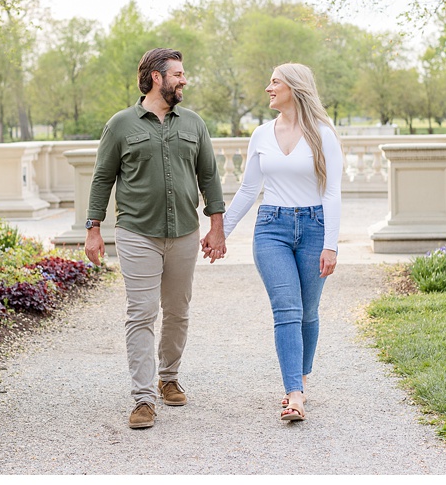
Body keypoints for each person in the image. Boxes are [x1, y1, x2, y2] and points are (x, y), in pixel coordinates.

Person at [84, 48, 226, 430]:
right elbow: (102, 178)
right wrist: (93, 228)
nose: (184, 80)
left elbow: (209, 175)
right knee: (142, 312)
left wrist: (217, 225)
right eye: (178, 74)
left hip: (184, 231)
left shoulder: (194, 124)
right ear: (156, 77)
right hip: (136, 234)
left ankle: (168, 377)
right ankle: (143, 398)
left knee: (178, 311)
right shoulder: (120, 125)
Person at [222, 63, 343, 423]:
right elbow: (248, 190)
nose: (268, 88)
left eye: (274, 82)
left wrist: (331, 244)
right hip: (271, 226)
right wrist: (220, 232)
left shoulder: (323, 134)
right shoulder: (260, 134)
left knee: (308, 312)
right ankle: (294, 394)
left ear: (294, 87)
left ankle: (300, 379)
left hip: (314, 227)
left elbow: (333, 192)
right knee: (287, 309)